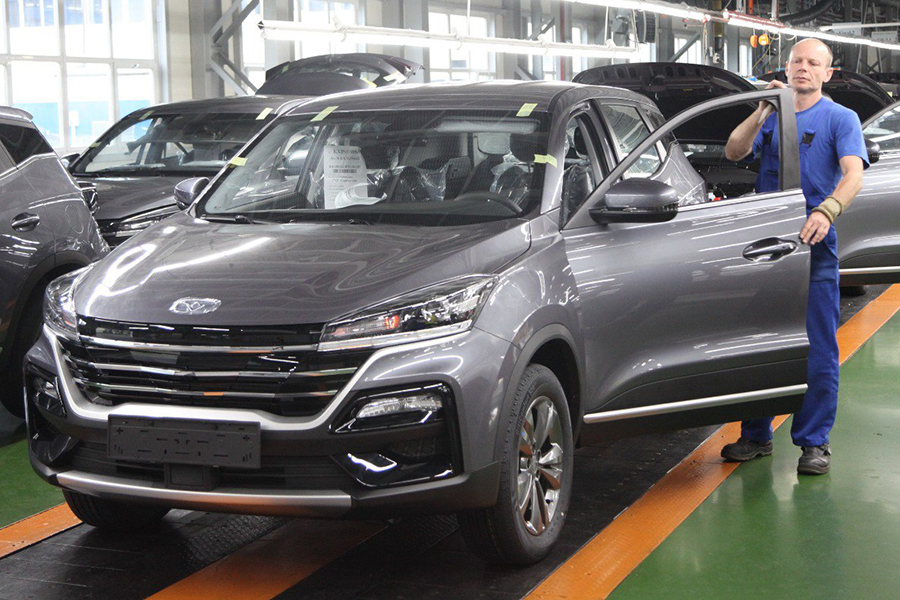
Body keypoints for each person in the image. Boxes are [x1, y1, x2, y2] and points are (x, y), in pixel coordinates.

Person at [721, 38, 867, 475]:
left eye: (813, 63)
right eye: (797, 61)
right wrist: (763, 110)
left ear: (827, 73)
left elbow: (853, 174)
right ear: (786, 68)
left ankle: (814, 442)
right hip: (765, 248)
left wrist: (828, 209)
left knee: (818, 348)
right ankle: (756, 434)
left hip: (812, 246)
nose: (804, 68)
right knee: (759, 343)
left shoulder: (840, 118)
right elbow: (733, 151)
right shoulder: (771, 115)